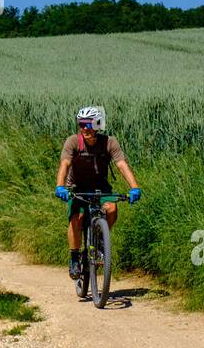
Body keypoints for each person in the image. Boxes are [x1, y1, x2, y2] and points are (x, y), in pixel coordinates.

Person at [55, 105, 141, 279]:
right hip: (77, 188)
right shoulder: (73, 141)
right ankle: (74, 257)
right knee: (76, 218)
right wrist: (60, 186)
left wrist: (134, 187)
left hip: (101, 187)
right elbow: (64, 164)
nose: (85, 128)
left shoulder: (109, 142)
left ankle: (101, 242)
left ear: (98, 124)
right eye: (81, 124)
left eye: (89, 124)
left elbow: (122, 165)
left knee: (112, 209)